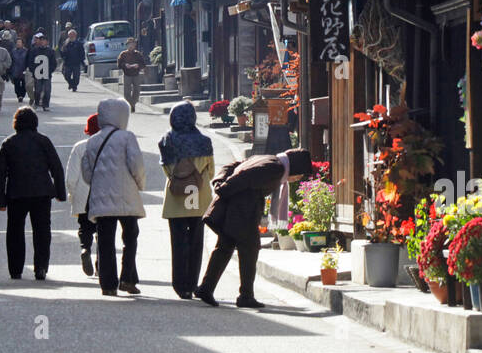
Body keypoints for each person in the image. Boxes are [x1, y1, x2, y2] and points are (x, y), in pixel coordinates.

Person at [196, 148, 313, 308]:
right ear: (295, 167)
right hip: (242, 211)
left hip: (235, 208)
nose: (297, 178)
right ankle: (245, 295)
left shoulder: (267, 158)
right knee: (250, 250)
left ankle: (206, 288)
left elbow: (232, 166)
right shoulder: (275, 168)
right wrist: (223, 188)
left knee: (225, 246)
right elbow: (244, 178)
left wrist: (219, 181)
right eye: (299, 174)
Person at [81, 97, 146, 297]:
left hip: (101, 197)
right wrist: (139, 185)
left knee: (105, 241)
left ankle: (108, 284)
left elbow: (86, 172)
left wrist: (98, 182)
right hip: (127, 195)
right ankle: (128, 278)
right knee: (130, 237)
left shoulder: (92, 141)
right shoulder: (127, 137)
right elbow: (137, 165)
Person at [0, 106, 66, 279]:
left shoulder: (9, 143)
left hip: (16, 193)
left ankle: (16, 269)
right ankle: (40, 267)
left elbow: (0, 173)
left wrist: (0, 201)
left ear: (16, 123)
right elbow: (56, 167)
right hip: (41, 192)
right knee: (42, 230)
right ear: (35, 122)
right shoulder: (43, 141)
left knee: (15, 231)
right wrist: (60, 193)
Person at [158, 102, 215, 299]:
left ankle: (180, 285)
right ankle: (192, 283)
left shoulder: (166, 141)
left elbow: (166, 171)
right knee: (196, 242)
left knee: (178, 243)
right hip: (199, 199)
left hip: (176, 199)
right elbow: (211, 171)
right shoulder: (205, 142)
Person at [64, 112, 101, 276]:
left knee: (84, 228)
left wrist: (72, 193)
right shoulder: (109, 145)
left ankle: (85, 249)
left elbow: (71, 176)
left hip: (84, 194)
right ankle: (101, 261)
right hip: (104, 194)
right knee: (103, 230)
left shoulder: (79, 147)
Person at [27, 33, 57, 111]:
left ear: (47, 42)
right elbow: (30, 61)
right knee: (37, 90)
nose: (42, 42)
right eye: (41, 40)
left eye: (44, 40)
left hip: (47, 74)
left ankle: (46, 105)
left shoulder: (50, 51)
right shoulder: (34, 51)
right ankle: (36, 103)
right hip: (37, 74)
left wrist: (50, 70)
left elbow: (54, 63)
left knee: (47, 90)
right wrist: (33, 70)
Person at [116, 37, 145, 112]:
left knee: (137, 91)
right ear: (127, 45)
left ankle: (133, 104)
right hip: (127, 74)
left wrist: (138, 65)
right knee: (126, 93)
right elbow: (119, 64)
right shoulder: (123, 54)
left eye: (132, 44)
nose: (131, 46)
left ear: (135, 45)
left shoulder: (138, 54)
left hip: (136, 74)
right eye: (129, 44)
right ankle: (131, 104)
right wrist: (125, 65)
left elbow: (143, 64)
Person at [9, 37, 29, 103]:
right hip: (15, 70)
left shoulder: (26, 51)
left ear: (23, 44)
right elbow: (10, 61)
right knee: (16, 84)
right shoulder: (13, 51)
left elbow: (28, 61)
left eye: (19, 42)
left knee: (24, 85)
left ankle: (22, 95)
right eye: (17, 42)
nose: (18, 44)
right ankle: (18, 95)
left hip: (24, 69)